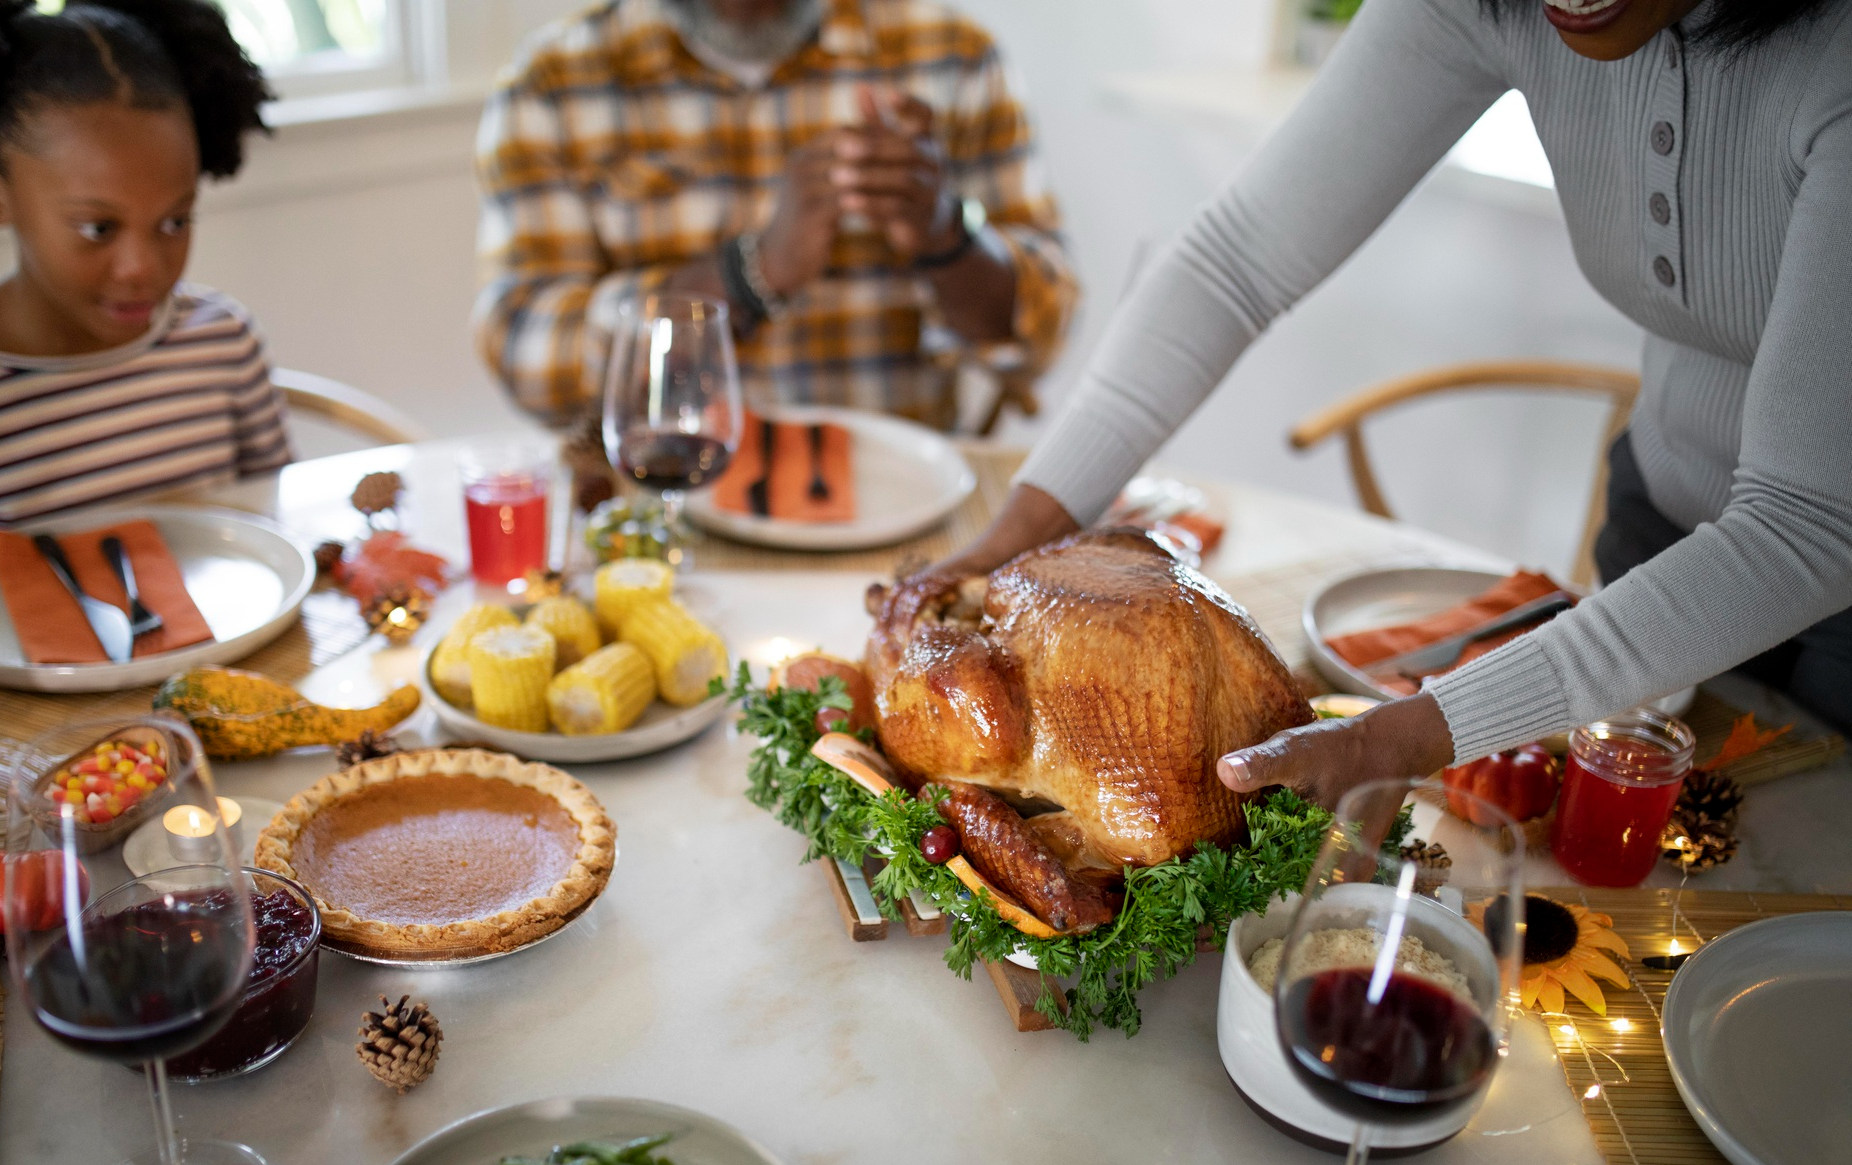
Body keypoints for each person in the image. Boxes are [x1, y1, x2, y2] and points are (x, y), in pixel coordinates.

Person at [931, 0, 1852, 807]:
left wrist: (1399, 737)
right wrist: (1022, 522)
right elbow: (1235, 260)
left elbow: (1807, 521)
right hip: (1661, 520)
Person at [472, 0, 1079, 429]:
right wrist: (748, 273)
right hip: (663, 517)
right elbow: (528, 357)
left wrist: (945, 234)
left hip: (904, 518)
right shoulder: (552, 84)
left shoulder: (953, 56)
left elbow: (1045, 334)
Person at [0, 0, 287, 583]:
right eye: (97, 229)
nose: (142, 269)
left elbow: (283, 545)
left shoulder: (223, 341)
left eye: (175, 222)